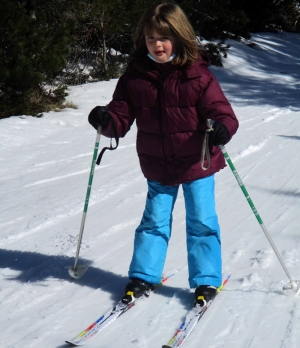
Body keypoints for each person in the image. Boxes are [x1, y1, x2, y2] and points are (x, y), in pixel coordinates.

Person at [88, 2, 238, 307]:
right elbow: (121, 113)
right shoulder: (136, 76)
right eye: (150, 38)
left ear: (179, 37)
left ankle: (206, 280)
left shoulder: (197, 75)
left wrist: (221, 127)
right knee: (153, 222)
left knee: (201, 221)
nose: (157, 45)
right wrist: (106, 120)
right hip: (158, 164)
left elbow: (221, 112)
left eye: (164, 38)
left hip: (198, 161)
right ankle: (143, 274)